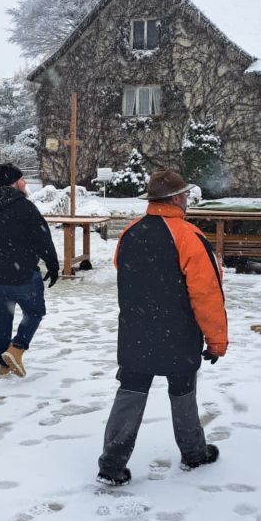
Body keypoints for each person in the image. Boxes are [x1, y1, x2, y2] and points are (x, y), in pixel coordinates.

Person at [97, 169, 228, 486]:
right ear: (178, 199)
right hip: (178, 332)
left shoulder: (130, 233)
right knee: (183, 393)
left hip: (135, 330)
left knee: (130, 394)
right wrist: (217, 341)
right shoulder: (190, 237)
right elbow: (206, 294)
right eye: (185, 197)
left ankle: (112, 466)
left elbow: (124, 271)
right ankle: (194, 453)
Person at [0, 162, 59, 377]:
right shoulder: (24, 207)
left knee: (3, 316)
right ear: (14, 183)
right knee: (35, 311)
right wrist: (53, 265)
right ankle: (17, 349)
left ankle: (3, 364)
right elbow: (42, 239)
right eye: (21, 179)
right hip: (22, 274)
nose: (25, 182)